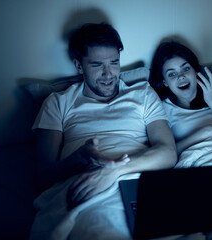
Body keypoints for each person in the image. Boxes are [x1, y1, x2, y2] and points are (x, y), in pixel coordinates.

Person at [32, 23, 177, 211]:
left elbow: (168, 153)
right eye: (97, 65)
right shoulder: (58, 102)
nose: (108, 74)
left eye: (114, 63)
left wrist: (113, 171)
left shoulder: (143, 94)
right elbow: (42, 177)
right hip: (85, 189)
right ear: (79, 65)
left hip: (138, 184)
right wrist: (79, 159)